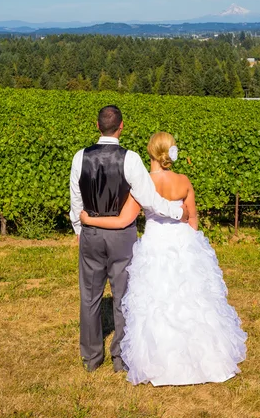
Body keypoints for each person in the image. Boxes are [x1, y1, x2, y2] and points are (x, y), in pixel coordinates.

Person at [80, 131, 247, 386]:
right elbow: (191, 219)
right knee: (192, 300)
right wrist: (185, 245)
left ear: (150, 152)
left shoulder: (144, 183)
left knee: (156, 301)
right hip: (183, 243)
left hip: (155, 244)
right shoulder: (184, 180)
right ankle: (204, 357)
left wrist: (89, 220)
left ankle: (158, 360)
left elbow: (125, 220)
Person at [70, 107, 189, 373]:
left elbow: (75, 199)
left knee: (89, 297)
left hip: (91, 231)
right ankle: (120, 358)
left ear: (97, 126)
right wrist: (177, 211)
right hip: (121, 236)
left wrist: (80, 230)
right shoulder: (131, 159)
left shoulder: (80, 157)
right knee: (123, 295)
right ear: (121, 126)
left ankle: (91, 359)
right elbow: (149, 199)